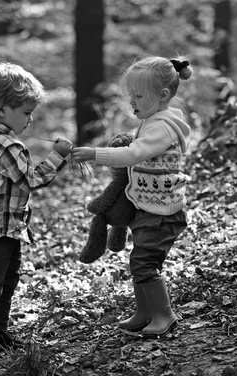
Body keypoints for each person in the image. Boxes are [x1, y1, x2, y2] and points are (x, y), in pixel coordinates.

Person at [0, 62, 72, 374]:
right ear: (1, 108)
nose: (30, 120)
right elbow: (31, 179)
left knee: (7, 283)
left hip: (5, 229)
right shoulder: (5, 144)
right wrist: (59, 155)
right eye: (25, 112)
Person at [71, 56, 192, 338]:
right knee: (139, 260)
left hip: (162, 213)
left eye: (138, 95)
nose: (132, 102)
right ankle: (144, 311)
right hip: (149, 206)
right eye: (131, 95)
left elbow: (135, 153)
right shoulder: (154, 121)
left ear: (162, 95)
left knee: (145, 263)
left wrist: (95, 153)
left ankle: (164, 315)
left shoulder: (163, 126)